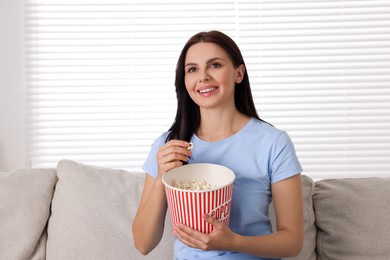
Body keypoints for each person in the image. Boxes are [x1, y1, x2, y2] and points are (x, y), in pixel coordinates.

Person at [132, 30, 304, 260]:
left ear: (239, 73)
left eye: (214, 65)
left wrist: (234, 242)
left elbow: (292, 242)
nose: (202, 77)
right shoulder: (168, 145)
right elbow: (143, 244)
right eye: (192, 69)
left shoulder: (273, 142)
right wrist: (162, 178)